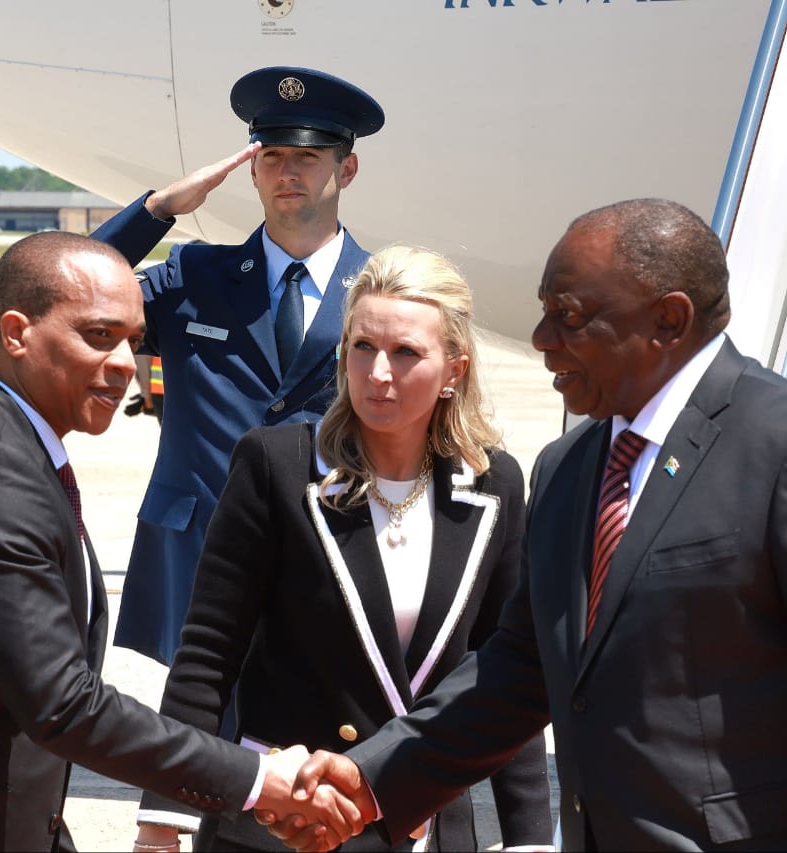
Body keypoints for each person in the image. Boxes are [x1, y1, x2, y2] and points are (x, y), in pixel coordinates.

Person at [0, 231, 364, 852]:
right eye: (98, 337)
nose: (127, 363)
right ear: (16, 334)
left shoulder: (15, 450)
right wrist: (260, 777)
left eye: (132, 340)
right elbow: (63, 704)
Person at [273, 199, 787, 851]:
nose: (543, 338)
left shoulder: (773, 444)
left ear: (669, 318)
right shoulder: (569, 467)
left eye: (568, 316)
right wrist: (369, 777)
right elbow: (520, 666)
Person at [132, 246, 551, 853]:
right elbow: (207, 656)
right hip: (284, 825)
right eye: (362, 347)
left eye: (406, 352)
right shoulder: (278, 465)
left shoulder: (494, 485)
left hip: (423, 827)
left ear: (454, 371)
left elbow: (504, 672)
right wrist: (161, 821)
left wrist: (529, 839)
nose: (379, 373)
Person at [93, 65, 385, 665]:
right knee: (202, 747)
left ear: (346, 169)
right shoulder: (194, 277)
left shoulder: (384, 290)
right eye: (271, 155)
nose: (288, 171)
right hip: (199, 554)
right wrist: (156, 210)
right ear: (251, 169)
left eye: (308, 155)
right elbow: (65, 289)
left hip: (332, 552)